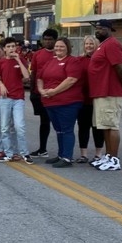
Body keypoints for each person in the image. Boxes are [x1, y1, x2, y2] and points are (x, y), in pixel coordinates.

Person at [88, 19, 122, 171]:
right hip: (101, 92)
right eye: (96, 28)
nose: (98, 30)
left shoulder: (112, 44)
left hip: (110, 91)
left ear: (110, 29)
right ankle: (109, 156)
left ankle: (115, 159)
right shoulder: (103, 45)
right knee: (105, 125)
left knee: (111, 125)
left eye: (101, 28)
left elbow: (120, 67)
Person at [37, 38, 83, 168]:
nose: (58, 49)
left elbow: (71, 80)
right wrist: (41, 91)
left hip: (67, 103)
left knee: (66, 129)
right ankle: (61, 154)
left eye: (62, 47)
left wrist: (54, 91)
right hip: (50, 102)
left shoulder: (73, 61)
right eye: (57, 46)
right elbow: (40, 78)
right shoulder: (50, 61)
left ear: (68, 47)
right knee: (59, 130)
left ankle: (67, 157)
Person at [0, 37, 33, 164]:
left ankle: (24, 153)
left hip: (18, 98)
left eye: (13, 46)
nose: (11, 49)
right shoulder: (0, 62)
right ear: (4, 49)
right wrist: (1, 85)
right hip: (5, 98)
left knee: (19, 126)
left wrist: (18, 59)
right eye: (9, 47)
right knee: (5, 127)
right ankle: (9, 153)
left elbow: (26, 77)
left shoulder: (20, 59)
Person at [29, 29, 58, 158]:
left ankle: (63, 152)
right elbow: (33, 73)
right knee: (44, 122)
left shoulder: (60, 53)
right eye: (45, 39)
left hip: (57, 93)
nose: (47, 42)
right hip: (40, 92)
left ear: (55, 40)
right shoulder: (37, 54)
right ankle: (42, 148)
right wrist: (32, 91)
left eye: (50, 39)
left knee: (59, 123)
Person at [75, 36, 104, 163]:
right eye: (86, 44)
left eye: (91, 44)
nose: (88, 46)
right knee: (83, 127)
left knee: (98, 127)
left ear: (96, 45)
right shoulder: (79, 60)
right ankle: (84, 154)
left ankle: (98, 154)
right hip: (83, 98)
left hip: (98, 98)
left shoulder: (101, 59)